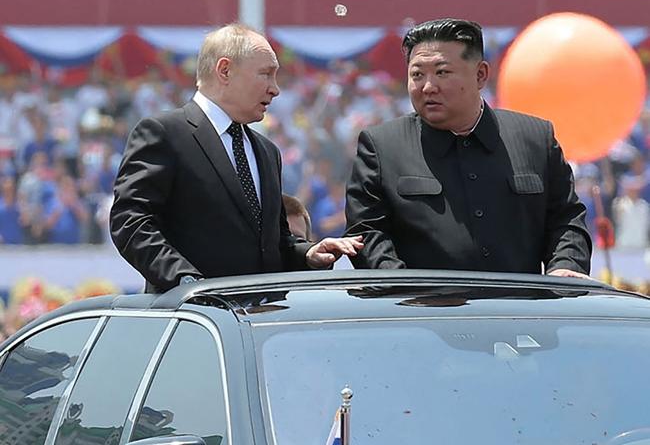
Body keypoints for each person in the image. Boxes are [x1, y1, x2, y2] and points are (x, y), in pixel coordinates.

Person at [111, 23, 362, 293]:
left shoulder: (267, 152)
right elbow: (130, 221)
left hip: (261, 322)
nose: (275, 89)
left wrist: (308, 254)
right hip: (194, 322)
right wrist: (186, 282)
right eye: (265, 74)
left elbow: (272, 242)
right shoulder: (165, 134)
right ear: (225, 70)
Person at [345, 18, 591, 277]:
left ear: (480, 74)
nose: (428, 87)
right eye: (417, 74)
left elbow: (566, 218)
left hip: (520, 309)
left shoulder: (535, 139)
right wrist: (405, 285)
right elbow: (366, 233)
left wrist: (566, 265)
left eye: (442, 72)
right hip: (423, 311)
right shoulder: (382, 147)